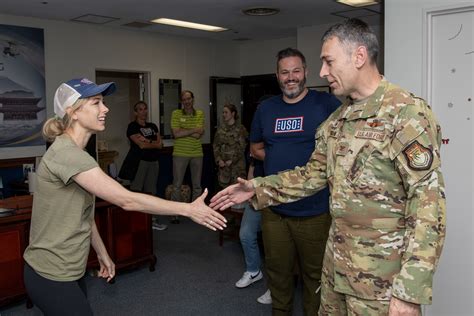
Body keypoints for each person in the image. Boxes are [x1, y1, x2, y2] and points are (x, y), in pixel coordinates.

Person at [211, 18, 446, 316]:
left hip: (382, 284)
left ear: (358, 57)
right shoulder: (337, 120)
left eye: (329, 61)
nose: (322, 72)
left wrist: (410, 292)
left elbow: (429, 207)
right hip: (336, 271)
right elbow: (312, 175)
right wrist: (256, 187)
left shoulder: (406, 114)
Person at [23, 78, 227, 316]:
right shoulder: (68, 154)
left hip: (68, 270)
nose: (105, 108)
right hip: (49, 273)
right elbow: (126, 200)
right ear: (73, 112)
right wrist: (187, 209)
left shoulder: (76, 154)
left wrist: (101, 253)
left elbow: (84, 214)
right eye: (96, 102)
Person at [239, 47, 341, 315]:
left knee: (315, 280)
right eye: (285, 72)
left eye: (296, 71)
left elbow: (341, 149)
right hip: (275, 212)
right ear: (277, 76)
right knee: (278, 276)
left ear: (306, 72)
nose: (291, 77)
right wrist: (277, 160)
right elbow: (255, 147)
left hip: (315, 211)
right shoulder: (266, 109)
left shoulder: (327, 105)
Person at [119, 101, 167, 231]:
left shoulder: (153, 126)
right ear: (136, 112)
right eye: (140, 109)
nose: (144, 112)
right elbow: (141, 145)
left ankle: (151, 220)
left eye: (145, 109)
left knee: (151, 192)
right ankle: (137, 220)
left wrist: (149, 141)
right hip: (140, 162)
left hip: (154, 162)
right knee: (137, 191)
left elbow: (160, 144)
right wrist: (153, 143)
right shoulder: (132, 127)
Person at [236, 157, 272, 305]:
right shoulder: (257, 137)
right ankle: (253, 271)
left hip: (277, 191)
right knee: (245, 234)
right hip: (256, 192)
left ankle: (276, 287)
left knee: (274, 242)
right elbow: (253, 164)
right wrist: (250, 190)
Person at [170, 90, 205, 223]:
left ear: (193, 99)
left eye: (189, 98)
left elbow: (198, 134)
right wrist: (193, 130)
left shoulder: (200, 113)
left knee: (197, 186)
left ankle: (196, 214)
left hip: (197, 153)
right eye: (184, 99)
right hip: (180, 153)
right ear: (181, 101)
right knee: (177, 185)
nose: (187, 101)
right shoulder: (176, 113)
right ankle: (175, 214)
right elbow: (176, 134)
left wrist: (183, 130)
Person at [212, 103, 248, 189]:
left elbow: (242, 147)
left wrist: (232, 160)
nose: (224, 114)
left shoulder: (240, 129)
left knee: (238, 192)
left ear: (233, 113)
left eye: (226, 112)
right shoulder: (220, 129)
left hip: (237, 168)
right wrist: (218, 159)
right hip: (224, 169)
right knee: (224, 194)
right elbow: (216, 146)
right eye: (223, 112)